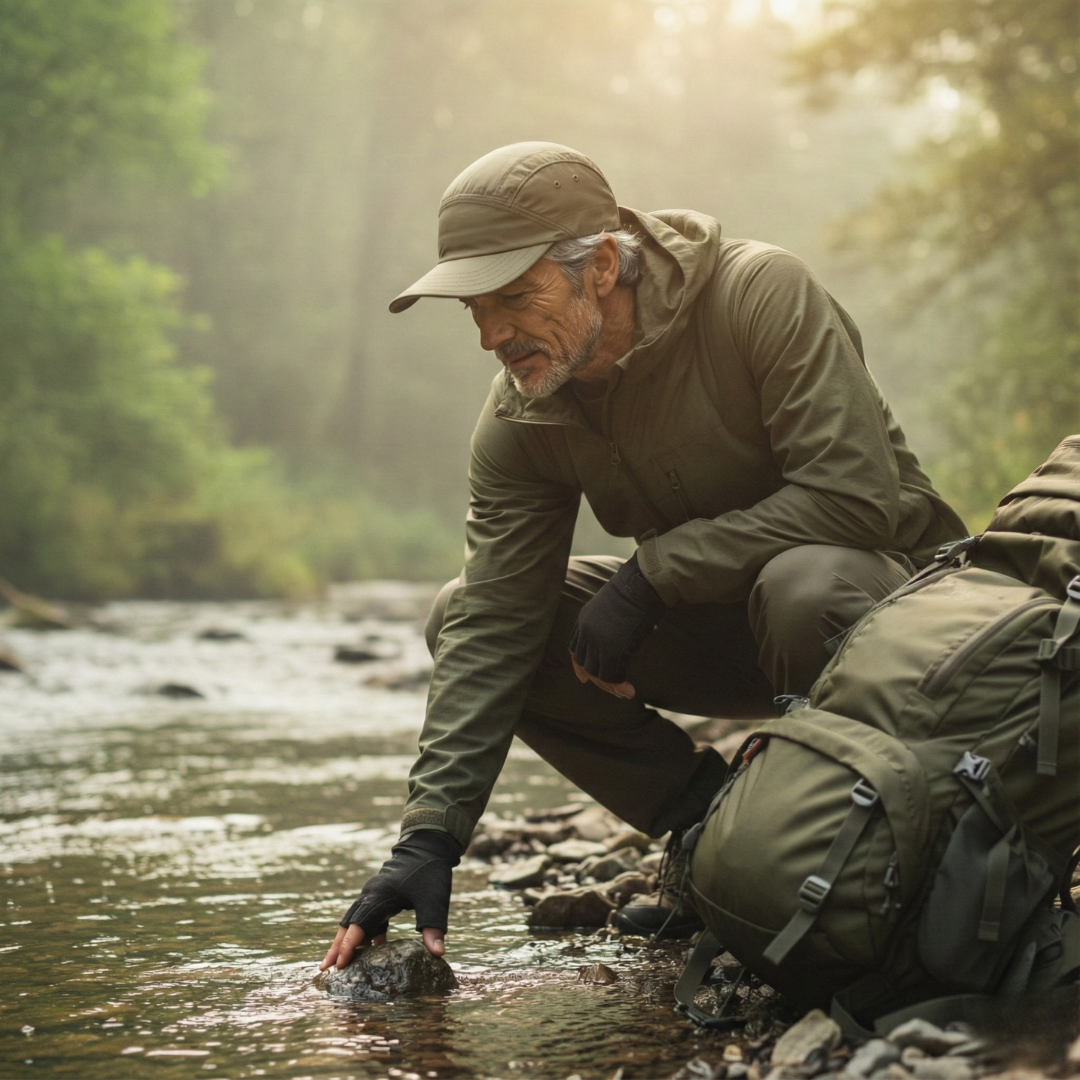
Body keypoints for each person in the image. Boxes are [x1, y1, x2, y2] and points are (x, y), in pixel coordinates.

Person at [320, 141, 966, 972]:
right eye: (472, 308)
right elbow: (493, 619)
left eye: (514, 297)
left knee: (802, 583)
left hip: (888, 621)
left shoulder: (760, 294)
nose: (490, 335)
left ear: (604, 266)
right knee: (461, 615)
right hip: (724, 633)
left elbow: (854, 497)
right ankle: (715, 835)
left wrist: (655, 572)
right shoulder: (525, 410)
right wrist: (430, 837)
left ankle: (895, 845)